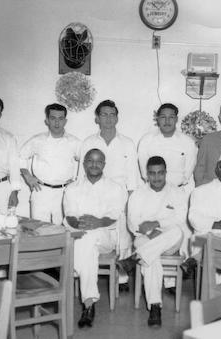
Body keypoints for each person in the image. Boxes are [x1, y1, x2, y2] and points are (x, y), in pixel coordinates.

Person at [63, 148, 127, 328]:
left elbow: (115, 215)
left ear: (104, 165)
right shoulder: (72, 188)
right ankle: (89, 303)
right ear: (84, 164)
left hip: (106, 236)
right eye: (90, 160)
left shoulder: (115, 187)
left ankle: (76, 274)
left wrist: (97, 222)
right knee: (87, 242)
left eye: (98, 161)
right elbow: (70, 214)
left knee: (87, 240)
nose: (94, 164)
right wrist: (80, 225)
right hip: (83, 236)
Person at [79, 99, 140, 288]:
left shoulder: (127, 143)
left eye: (112, 114)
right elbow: (81, 175)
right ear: (97, 118)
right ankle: (90, 274)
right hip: (94, 194)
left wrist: (130, 203)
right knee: (95, 234)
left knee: (123, 236)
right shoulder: (89, 142)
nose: (108, 118)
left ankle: (122, 278)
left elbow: (132, 176)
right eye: (103, 114)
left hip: (120, 195)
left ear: (117, 118)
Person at [119, 156, 186, 327]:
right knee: (151, 258)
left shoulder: (177, 193)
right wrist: (153, 232)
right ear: (146, 174)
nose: (156, 177)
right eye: (152, 173)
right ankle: (155, 306)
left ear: (166, 173)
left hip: (170, 241)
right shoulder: (138, 194)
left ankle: (135, 258)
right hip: (145, 240)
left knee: (177, 231)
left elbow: (180, 220)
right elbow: (133, 223)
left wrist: (157, 224)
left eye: (160, 173)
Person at [137, 103, 196, 256]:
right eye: (163, 117)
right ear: (157, 119)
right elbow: (145, 170)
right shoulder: (147, 140)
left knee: (178, 235)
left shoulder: (187, 142)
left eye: (171, 117)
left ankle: (141, 260)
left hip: (177, 194)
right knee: (151, 235)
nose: (167, 121)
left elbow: (189, 170)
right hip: (153, 193)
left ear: (176, 119)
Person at [19, 103, 81, 225]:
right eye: (53, 118)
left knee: (64, 231)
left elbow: (85, 162)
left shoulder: (75, 142)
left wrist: (77, 182)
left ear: (65, 121)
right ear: (47, 120)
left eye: (60, 119)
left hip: (64, 192)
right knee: (39, 231)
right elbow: (20, 158)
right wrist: (28, 177)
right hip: (41, 191)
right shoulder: (37, 140)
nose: (57, 123)